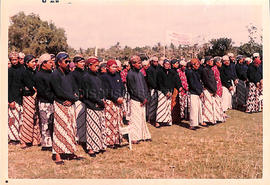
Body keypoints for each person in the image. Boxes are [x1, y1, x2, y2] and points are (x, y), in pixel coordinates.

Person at [50, 52, 82, 164]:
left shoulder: (69, 74)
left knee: (71, 128)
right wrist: (70, 98)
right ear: (59, 62)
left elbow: (76, 88)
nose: (68, 63)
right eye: (66, 61)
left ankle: (71, 152)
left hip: (70, 104)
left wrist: (74, 98)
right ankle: (57, 155)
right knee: (59, 129)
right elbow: (58, 91)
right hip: (60, 104)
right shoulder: (54, 75)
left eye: (69, 61)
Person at [82, 57, 107, 157]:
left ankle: (99, 146)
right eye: (95, 65)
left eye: (98, 65)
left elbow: (102, 89)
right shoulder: (86, 77)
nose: (97, 67)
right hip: (92, 105)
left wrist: (103, 99)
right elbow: (87, 93)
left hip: (99, 104)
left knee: (100, 126)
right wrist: (98, 101)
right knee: (92, 128)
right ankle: (91, 148)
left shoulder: (98, 76)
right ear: (89, 66)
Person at [126, 55, 151, 144]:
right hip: (135, 100)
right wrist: (141, 99)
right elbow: (132, 89)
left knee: (142, 118)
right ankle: (134, 137)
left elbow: (144, 86)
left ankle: (144, 135)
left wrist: (146, 97)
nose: (140, 65)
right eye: (138, 63)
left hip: (142, 99)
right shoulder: (130, 75)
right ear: (133, 64)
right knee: (135, 119)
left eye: (140, 63)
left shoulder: (140, 73)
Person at [101, 59, 125, 149]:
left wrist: (121, 97)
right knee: (110, 122)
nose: (115, 69)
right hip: (110, 102)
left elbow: (122, 87)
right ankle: (110, 141)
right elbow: (107, 90)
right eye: (113, 67)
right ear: (108, 67)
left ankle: (118, 140)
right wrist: (115, 98)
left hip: (119, 101)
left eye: (116, 67)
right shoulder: (104, 77)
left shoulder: (117, 76)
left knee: (118, 121)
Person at [20, 54, 41, 149]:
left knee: (36, 118)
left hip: (36, 97)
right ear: (27, 63)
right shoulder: (24, 73)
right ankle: (24, 141)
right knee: (28, 118)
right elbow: (30, 85)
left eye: (35, 62)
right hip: (28, 97)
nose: (34, 63)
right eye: (32, 62)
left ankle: (35, 140)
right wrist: (35, 90)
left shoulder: (36, 72)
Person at [35, 53, 55, 151]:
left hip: (52, 101)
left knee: (51, 123)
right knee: (45, 123)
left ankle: (52, 142)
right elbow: (43, 91)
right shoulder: (39, 75)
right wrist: (53, 98)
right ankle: (46, 145)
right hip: (44, 102)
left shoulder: (51, 73)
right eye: (50, 62)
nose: (52, 64)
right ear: (44, 63)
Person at [8, 51, 24, 144]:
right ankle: (13, 139)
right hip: (13, 98)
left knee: (20, 119)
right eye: (13, 60)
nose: (15, 61)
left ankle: (20, 137)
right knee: (12, 119)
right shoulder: (9, 71)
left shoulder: (22, 69)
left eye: (16, 59)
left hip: (20, 98)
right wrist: (10, 100)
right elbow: (7, 87)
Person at [71, 55, 86, 144]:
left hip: (86, 98)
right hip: (78, 99)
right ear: (76, 64)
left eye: (83, 62)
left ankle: (84, 138)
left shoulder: (86, 72)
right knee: (78, 120)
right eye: (80, 62)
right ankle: (78, 138)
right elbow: (74, 87)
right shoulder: (73, 74)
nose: (83, 64)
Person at [186, 58, 204, 130]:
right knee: (193, 109)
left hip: (198, 92)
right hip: (193, 92)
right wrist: (199, 92)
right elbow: (192, 84)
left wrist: (201, 91)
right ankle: (192, 124)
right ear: (193, 65)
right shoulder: (190, 72)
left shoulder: (196, 72)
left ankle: (197, 123)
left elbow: (198, 82)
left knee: (198, 108)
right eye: (197, 64)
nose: (198, 65)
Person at [156, 59, 175, 127]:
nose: (167, 65)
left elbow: (172, 82)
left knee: (167, 107)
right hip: (162, 91)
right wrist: (165, 92)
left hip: (169, 91)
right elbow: (160, 83)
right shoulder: (160, 72)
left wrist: (171, 91)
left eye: (168, 64)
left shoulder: (171, 72)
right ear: (163, 64)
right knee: (161, 107)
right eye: (166, 64)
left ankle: (167, 121)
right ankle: (158, 121)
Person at [201, 56, 217, 125]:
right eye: (211, 61)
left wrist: (214, 89)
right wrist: (212, 90)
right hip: (207, 90)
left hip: (212, 89)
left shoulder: (211, 69)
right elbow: (206, 81)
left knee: (211, 105)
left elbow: (213, 80)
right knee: (207, 105)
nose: (212, 62)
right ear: (207, 62)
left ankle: (211, 119)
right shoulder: (204, 70)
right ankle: (205, 120)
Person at [145, 56, 159, 127]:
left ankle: (154, 118)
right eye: (154, 62)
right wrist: (155, 87)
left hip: (158, 88)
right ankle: (150, 118)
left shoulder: (158, 68)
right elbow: (150, 80)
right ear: (151, 62)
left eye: (157, 61)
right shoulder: (149, 69)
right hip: (152, 88)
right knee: (152, 104)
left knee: (156, 104)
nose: (156, 63)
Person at [212, 57, 225, 123]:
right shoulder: (213, 69)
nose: (221, 63)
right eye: (220, 62)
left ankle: (220, 117)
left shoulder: (217, 69)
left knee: (219, 103)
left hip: (219, 87)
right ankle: (217, 118)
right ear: (216, 63)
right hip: (216, 88)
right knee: (216, 103)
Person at [170, 59, 182, 125]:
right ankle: (173, 118)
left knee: (176, 103)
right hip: (174, 89)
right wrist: (178, 86)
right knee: (173, 103)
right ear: (173, 64)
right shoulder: (172, 71)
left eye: (178, 63)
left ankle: (177, 118)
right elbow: (174, 81)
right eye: (176, 63)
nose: (177, 64)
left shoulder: (176, 71)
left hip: (177, 89)